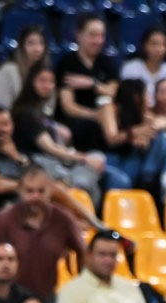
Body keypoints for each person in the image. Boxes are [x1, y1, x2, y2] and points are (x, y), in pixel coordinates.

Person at [0, 165, 86, 300]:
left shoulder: (63, 220)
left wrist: (82, 285)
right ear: (19, 190)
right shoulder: (2, 220)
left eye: (41, 191)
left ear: (51, 190)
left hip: (46, 298)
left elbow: (84, 252)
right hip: (10, 301)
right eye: (29, 191)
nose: (35, 197)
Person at [12, 64, 114, 206]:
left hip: (55, 163)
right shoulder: (28, 113)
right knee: (87, 179)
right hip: (40, 165)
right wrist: (84, 158)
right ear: (30, 82)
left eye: (51, 82)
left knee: (100, 160)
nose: (47, 86)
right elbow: (50, 148)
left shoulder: (42, 111)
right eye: (42, 81)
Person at [55, 14, 120, 154]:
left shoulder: (106, 62)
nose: (98, 40)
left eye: (101, 36)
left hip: (104, 117)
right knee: (89, 128)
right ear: (79, 35)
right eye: (93, 35)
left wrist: (93, 84)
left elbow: (115, 91)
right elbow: (68, 106)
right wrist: (95, 115)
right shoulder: (68, 64)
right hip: (79, 120)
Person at [99, 79, 166, 193]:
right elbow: (111, 139)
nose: (148, 99)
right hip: (111, 159)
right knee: (123, 182)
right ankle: (161, 178)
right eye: (146, 95)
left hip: (132, 158)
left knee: (161, 137)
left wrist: (147, 133)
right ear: (136, 96)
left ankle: (164, 178)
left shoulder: (141, 112)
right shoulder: (111, 108)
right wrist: (133, 132)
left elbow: (165, 121)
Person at [0, 25, 52, 112]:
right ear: (22, 46)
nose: (37, 49)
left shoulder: (46, 72)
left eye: (41, 43)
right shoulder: (8, 70)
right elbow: (1, 107)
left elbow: (48, 108)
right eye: (31, 43)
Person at [120, 27, 166, 102]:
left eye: (163, 44)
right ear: (144, 45)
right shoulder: (130, 69)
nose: (159, 49)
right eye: (154, 44)